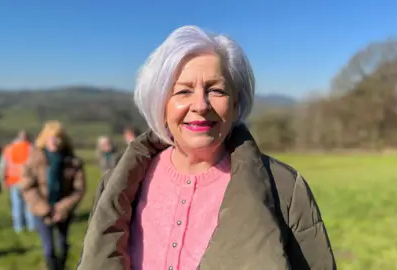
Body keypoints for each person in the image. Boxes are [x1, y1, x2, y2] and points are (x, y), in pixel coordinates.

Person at [77, 26, 336, 270]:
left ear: (236, 104)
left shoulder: (285, 189)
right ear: (161, 105)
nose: (200, 105)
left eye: (216, 90)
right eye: (183, 91)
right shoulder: (118, 184)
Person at [19, 121, 86, 270]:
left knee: (62, 246)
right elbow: (27, 187)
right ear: (44, 138)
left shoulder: (72, 161)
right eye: (51, 137)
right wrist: (46, 209)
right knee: (49, 250)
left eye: (58, 137)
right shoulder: (34, 158)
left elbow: (79, 189)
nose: (54, 141)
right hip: (41, 211)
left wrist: (61, 209)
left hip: (64, 212)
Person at [0, 130, 35, 233]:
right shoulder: (31, 148)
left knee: (16, 206)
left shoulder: (9, 148)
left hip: (13, 182)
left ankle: (18, 228)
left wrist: (3, 180)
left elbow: (1, 167)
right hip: (28, 182)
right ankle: (31, 227)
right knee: (29, 206)